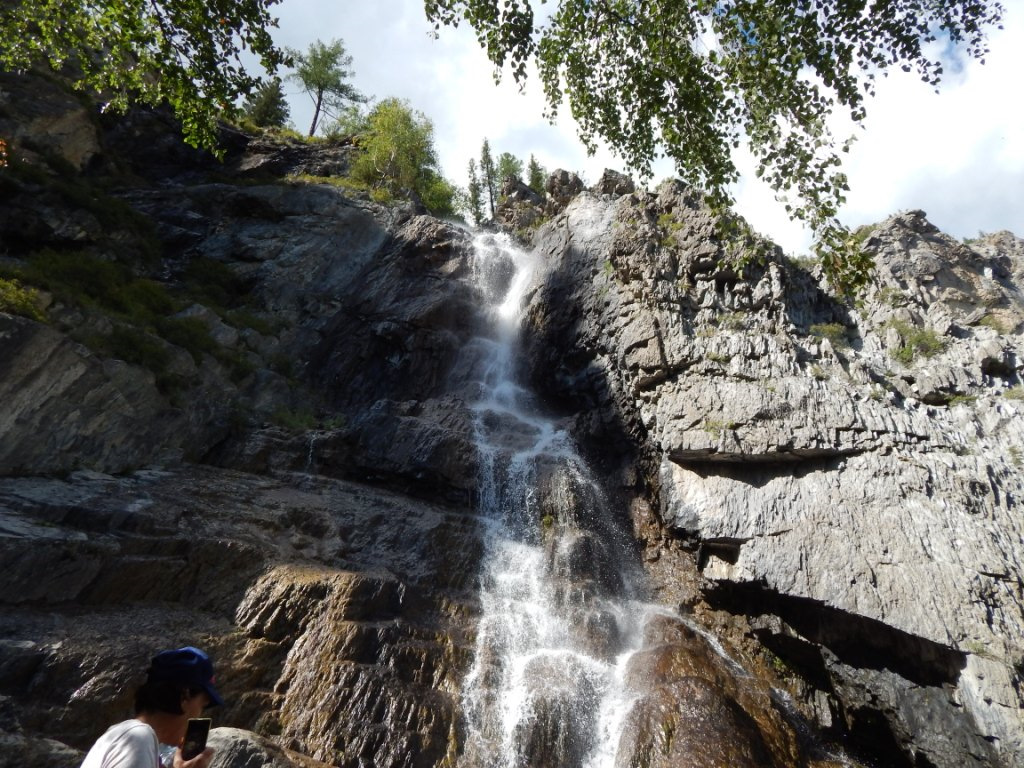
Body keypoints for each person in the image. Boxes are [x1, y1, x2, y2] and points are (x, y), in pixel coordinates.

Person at [80, 646, 222, 768]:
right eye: (202, 705)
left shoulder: (129, 737)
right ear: (185, 696)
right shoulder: (138, 739)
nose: (199, 714)